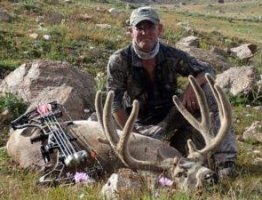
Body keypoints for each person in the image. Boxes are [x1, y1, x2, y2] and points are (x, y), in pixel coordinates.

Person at [106, 6, 237, 178]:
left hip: (172, 116)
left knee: (208, 89)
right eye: (140, 28)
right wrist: (132, 135)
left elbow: (208, 70)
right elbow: (114, 102)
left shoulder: (171, 55)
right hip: (139, 125)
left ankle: (225, 162)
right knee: (102, 124)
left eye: (150, 27)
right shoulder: (119, 61)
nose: (145, 33)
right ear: (131, 31)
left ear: (159, 29)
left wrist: (192, 87)